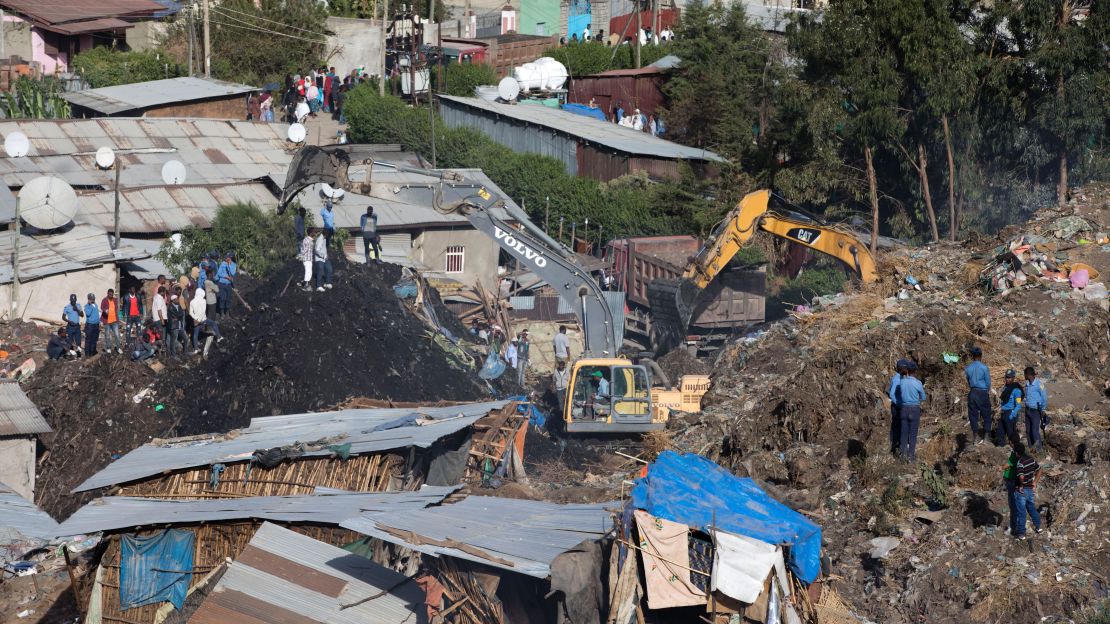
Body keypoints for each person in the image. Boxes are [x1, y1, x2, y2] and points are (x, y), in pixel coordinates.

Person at [1012, 441, 1043, 540]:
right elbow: (1040, 469)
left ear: (1017, 453)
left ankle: (1021, 533)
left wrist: (1021, 485)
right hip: (1030, 489)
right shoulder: (1031, 459)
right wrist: (1035, 482)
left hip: (1021, 491)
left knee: (1021, 512)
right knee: (1032, 508)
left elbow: (1021, 476)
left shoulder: (1020, 463)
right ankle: (1038, 527)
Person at [897, 361, 925, 461]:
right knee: (913, 435)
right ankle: (911, 457)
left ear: (907, 371)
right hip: (914, 409)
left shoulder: (902, 382)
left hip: (904, 409)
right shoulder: (918, 383)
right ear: (915, 371)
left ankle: (902, 456)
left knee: (903, 433)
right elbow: (923, 397)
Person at [965, 346, 992, 445]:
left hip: (972, 393)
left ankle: (975, 437)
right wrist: (986, 391)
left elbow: (968, 381)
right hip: (982, 392)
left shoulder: (968, 368)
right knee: (987, 414)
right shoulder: (984, 368)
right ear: (981, 356)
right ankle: (986, 437)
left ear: (972, 356)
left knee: (973, 415)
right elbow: (988, 382)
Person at [190, 287, 223, 353]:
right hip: (203, 320)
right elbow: (203, 312)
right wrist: (199, 320)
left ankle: (196, 349)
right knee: (213, 324)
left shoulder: (192, 302)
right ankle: (219, 337)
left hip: (196, 321)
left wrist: (196, 319)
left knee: (195, 334)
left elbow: (190, 312)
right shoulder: (204, 301)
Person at [996, 369, 1024, 446]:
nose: (1007, 379)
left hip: (1010, 414)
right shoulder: (1006, 388)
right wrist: (1000, 408)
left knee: (1011, 435)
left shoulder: (1016, 390)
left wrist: (1012, 415)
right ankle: (1001, 449)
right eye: (1007, 377)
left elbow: (1018, 405)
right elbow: (1004, 401)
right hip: (1003, 413)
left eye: (1009, 377)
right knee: (1000, 433)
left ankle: (1015, 451)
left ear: (1013, 378)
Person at [1024, 366, 1047, 450]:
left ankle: (1039, 449)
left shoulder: (1039, 385)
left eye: (1025, 375)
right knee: (1028, 431)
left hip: (1036, 411)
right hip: (1027, 410)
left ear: (1029, 375)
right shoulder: (1027, 384)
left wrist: (1043, 409)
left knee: (1034, 431)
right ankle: (1031, 448)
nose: (1024, 376)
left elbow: (1044, 397)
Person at [888, 359, 906, 455]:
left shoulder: (900, 378)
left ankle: (896, 445)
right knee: (897, 425)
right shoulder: (897, 379)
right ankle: (895, 446)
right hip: (897, 406)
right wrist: (899, 403)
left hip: (899, 405)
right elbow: (891, 394)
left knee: (897, 425)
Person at [100, 289, 122, 354]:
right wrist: (105, 310)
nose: (111, 296)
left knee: (117, 335)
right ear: (107, 293)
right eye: (109, 294)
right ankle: (108, 348)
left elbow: (116, 308)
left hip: (114, 320)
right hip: (107, 321)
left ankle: (118, 348)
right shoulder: (104, 300)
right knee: (107, 335)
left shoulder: (115, 300)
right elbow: (102, 307)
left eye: (112, 294)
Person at [167, 294, 187, 358]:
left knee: (186, 338)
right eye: (176, 299)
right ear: (173, 300)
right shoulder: (170, 307)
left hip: (180, 325)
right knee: (173, 341)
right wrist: (178, 316)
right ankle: (173, 355)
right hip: (174, 326)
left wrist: (178, 316)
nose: (178, 300)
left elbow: (181, 314)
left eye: (177, 299)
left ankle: (185, 352)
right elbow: (175, 315)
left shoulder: (179, 305)